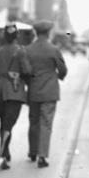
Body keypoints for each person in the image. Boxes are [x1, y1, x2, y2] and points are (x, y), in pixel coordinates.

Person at [25, 20, 67, 168]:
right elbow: (62, 69)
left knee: (34, 122)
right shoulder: (54, 50)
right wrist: (58, 77)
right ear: (48, 33)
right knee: (46, 123)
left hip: (34, 91)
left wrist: (29, 82)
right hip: (49, 92)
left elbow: (25, 71)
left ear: (36, 33)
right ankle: (42, 156)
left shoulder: (28, 49)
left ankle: (32, 151)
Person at [0, 22, 32, 170]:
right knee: (9, 124)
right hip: (14, 91)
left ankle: (5, 152)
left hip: (1, 91)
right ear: (17, 36)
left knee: (4, 123)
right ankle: (2, 155)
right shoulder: (21, 52)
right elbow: (27, 70)